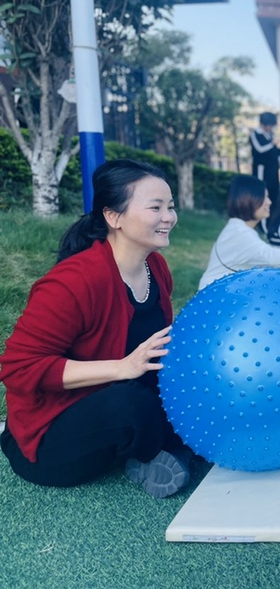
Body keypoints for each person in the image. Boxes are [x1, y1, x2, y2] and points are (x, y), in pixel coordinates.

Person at [0, 159, 193, 498]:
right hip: (50, 439)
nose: (169, 217)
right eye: (156, 207)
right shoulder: (73, 283)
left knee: (187, 387)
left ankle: (166, 449)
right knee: (132, 404)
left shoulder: (156, 267)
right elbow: (18, 368)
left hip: (121, 400)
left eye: (171, 206)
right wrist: (121, 368)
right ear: (113, 216)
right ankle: (164, 452)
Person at [250, 111, 280, 237]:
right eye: (268, 125)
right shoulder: (255, 134)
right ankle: (262, 226)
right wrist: (274, 142)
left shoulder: (270, 136)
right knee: (263, 198)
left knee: (274, 198)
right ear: (263, 124)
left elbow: (276, 153)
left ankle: (272, 226)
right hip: (262, 172)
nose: (270, 128)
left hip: (274, 172)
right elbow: (260, 149)